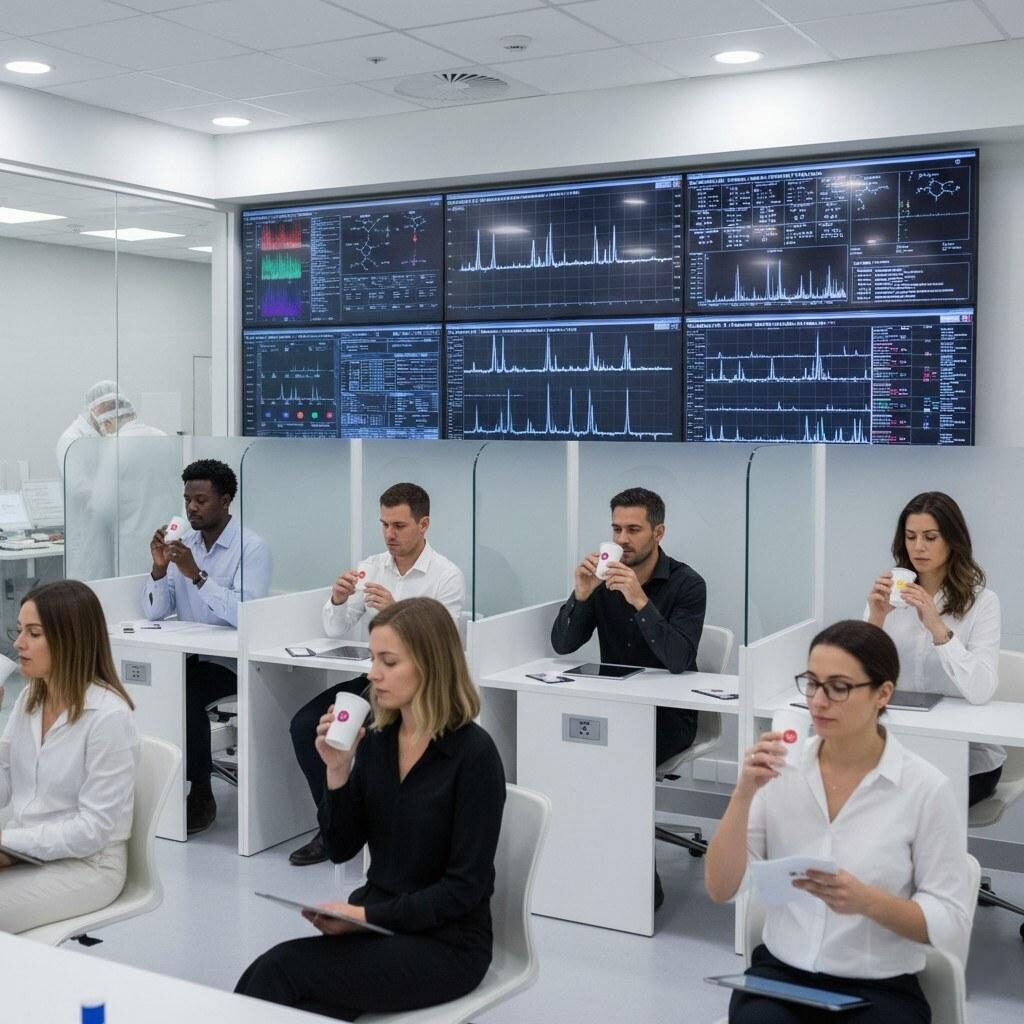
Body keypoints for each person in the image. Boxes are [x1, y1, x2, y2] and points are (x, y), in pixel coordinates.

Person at [236, 597, 505, 1020]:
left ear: (430, 665)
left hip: (447, 943)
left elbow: (463, 890)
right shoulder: (379, 739)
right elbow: (341, 846)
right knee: (291, 997)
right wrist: (338, 771)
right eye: (372, 658)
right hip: (379, 924)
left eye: (388, 662)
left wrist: (365, 914)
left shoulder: (474, 757)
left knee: (278, 971)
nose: (372, 674)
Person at [706, 620, 973, 1024]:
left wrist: (868, 902)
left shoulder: (925, 789)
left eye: (839, 687)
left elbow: (950, 922)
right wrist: (742, 794)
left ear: (882, 694)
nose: (818, 701)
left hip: (878, 983)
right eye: (811, 683)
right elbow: (720, 888)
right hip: (782, 973)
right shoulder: (780, 772)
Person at [288, 482, 465, 866]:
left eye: (399, 526)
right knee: (306, 726)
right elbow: (335, 629)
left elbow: (443, 648)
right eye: (384, 524)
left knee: (372, 740)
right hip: (378, 679)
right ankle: (331, 822)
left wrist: (397, 608)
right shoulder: (371, 566)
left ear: (424, 524)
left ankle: (376, 825)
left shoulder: (446, 576)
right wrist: (336, 599)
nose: (390, 535)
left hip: (422, 686)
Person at [0, 581, 140, 934]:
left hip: (87, 865)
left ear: (68, 639)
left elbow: (92, 831)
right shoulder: (30, 698)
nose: (18, 644)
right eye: (20, 631)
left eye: (34, 633)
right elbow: (3, 784)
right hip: (24, 848)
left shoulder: (109, 717)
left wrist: (9, 845)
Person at [142, 459, 271, 835]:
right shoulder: (184, 544)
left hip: (231, 662)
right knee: (149, 683)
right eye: (187, 500)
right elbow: (155, 611)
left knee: (184, 691)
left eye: (201, 500)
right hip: (186, 654)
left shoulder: (251, 549)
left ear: (225, 501)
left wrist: (196, 576)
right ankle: (153, 788)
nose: (192, 508)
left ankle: (200, 792)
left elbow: (245, 615)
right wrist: (158, 568)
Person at [551, 486, 706, 765]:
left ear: (658, 533)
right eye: (616, 529)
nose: (622, 540)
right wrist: (582, 595)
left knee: (611, 754)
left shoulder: (688, 584)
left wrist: (640, 601)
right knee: (561, 740)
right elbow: (563, 645)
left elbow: (679, 659)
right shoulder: (603, 580)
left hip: (667, 713)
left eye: (633, 530)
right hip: (613, 701)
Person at [865, 491, 1002, 806]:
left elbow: (981, 691)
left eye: (930, 537)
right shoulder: (891, 595)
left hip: (967, 758)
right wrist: (875, 619)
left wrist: (938, 628)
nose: (918, 547)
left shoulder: (982, 602)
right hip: (903, 747)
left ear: (952, 541)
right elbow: (861, 677)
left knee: (901, 805)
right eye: (911, 537)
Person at [57, 381, 166, 581]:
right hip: (97, 542)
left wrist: (114, 494)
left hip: (128, 539)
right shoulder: (71, 439)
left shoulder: (117, 444)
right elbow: (81, 488)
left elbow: (103, 503)